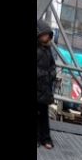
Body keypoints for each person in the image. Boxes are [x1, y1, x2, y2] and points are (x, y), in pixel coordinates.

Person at [37, 19, 57, 149]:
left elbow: (52, 66)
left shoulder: (48, 50)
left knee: (43, 113)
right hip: (39, 85)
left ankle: (45, 138)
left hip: (44, 87)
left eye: (48, 35)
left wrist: (51, 75)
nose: (47, 37)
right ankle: (42, 138)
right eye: (45, 34)